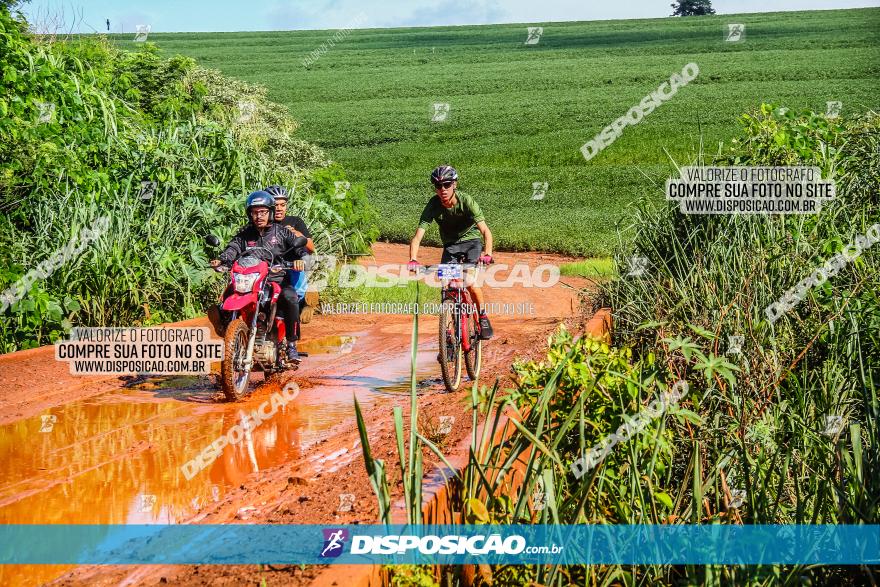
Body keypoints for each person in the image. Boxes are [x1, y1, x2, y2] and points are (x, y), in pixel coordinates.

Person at [209, 190, 306, 363]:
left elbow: (299, 248)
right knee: (227, 296)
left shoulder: (281, 232)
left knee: (290, 297)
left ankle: (291, 344)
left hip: (275, 279)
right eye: (255, 212)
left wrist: (300, 259)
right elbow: (232, 248)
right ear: (250, 214)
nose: (259, 216)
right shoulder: (245, 234)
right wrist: (223, 260)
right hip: (250, 279)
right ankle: (227, 329)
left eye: (263, 212)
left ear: (269, 212)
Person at [408, 165, 494, 339]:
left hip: (472, 242)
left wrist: (487, 253)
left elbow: (486, 231)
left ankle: (483, 317)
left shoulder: (466, 201)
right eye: (438, 186)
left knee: (469, 282)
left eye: (447, 185)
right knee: (445, 285)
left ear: (455, 184)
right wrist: (413, 259)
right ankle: (447, 331)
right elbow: (417, 236)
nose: (443, 190)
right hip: (451, 245)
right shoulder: (433, 205)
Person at [264, 185, 319, 324]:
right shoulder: (261, 223)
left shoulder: (295, 221)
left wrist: (296, 233)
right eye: (276, 205)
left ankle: (307, 300)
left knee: (294, 295)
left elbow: (311, 248)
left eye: (283, 205)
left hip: (292, 265)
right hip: (269, 265)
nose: (279, 208)